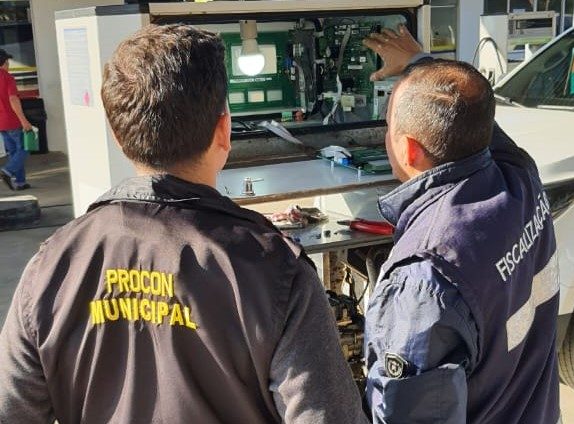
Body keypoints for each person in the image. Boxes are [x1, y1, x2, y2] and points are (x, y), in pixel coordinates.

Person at [0, 24, 368, 424]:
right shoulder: (277, 270)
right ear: (223, 131)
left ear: (118, 136)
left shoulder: (51, 266)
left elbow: (13, 411)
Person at [362, 27, 560, 423]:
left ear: (408, 149)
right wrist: (420, 63)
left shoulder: (426, 279)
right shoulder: (520, 175)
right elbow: (477, 120)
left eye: (389, 127)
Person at [0, 48, 32, 191]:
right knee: (26, 148)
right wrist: (24, 120)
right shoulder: (7, 78)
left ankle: (20, 182)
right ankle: (7, 171)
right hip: (12, 120)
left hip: (1, 123)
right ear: (4, 62)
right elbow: (13, 99)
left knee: (14, 152)